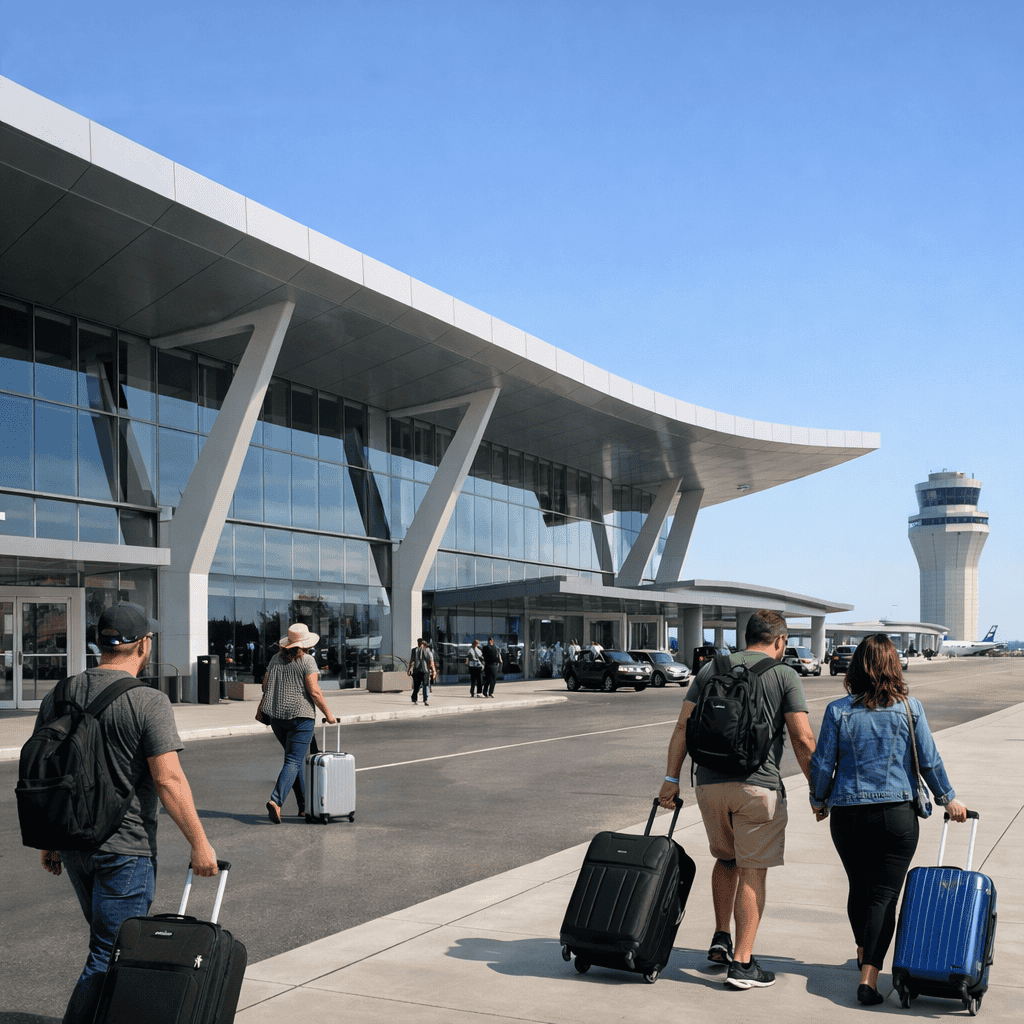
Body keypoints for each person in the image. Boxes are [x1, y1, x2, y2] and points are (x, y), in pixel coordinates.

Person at [36, 603, 218, 1024]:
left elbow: (47, 772)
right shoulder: (148, 701)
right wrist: (200, 843)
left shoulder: (59, 693)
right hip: (124, 849)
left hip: (72, 842)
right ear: (144, 645)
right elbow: (168, 779)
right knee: (111, 951)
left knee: (107, 945)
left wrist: (50, 841)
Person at [658, 609, 816, 991]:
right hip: (756, 790)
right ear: (779, 640)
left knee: (725, 858)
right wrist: (819, 789)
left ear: (747, 637)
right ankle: (743, 964)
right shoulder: (784, 675)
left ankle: (720, 938)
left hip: (709, 787)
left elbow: (682, 727)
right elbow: (802, 739)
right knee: (752, 870)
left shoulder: (712, 669)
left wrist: (670, 781)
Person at [809, 633, 968, 1005]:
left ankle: (865, 951)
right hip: (897, 815)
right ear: (894, 666)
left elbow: (822, 763)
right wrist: (948, 799)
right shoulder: (910, 708)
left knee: (858, 888)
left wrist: (819, 800)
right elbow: (928, 759)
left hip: (847, 814)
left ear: (857, 667)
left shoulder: (838, 710)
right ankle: (868, 977)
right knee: (883, 895)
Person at [260, 624, 336, 823]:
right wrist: (328, 714)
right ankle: (276, 801)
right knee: (293, 761)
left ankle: (304, 807)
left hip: (277, 718)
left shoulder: (275, 659)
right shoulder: (307, 660)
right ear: (305, 644)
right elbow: (314, 691)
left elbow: (265, 686)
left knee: (294, 760)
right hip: (301, 717)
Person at [407, 637, 436, 705]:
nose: (419, 644)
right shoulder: (423, 651)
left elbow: (412, 661)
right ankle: (420, 699)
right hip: (421, 671)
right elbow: (431, 661)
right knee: (421, 685)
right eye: (419, 642)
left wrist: (409, 669)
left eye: (420, 642)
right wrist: (434, 670)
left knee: (421, 685)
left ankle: (419, 699)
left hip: (421, 670)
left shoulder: (423, 650)